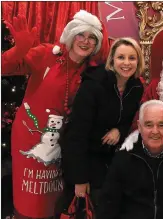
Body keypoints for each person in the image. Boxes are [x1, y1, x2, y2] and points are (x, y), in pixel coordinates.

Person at [1, 10, 109, 218]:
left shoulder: (91, 73)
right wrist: (19, 49)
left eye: (92, 37)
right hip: (29, 141)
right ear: (71, 33)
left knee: (53, 203)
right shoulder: (48, 54)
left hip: (61, 148)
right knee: (29, 202)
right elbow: (4, 66)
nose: (85, 41)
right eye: (81, 34)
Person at [61, 37, 144, 210]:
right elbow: (76, 134)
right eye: (121, 57)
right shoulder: (93, 85)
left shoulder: (136, 87)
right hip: (87, 160)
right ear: (112, 59)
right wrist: (79, 179)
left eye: (132, 58)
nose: (126, 63)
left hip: (112, 160)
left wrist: (119, 130)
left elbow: (129, 119)